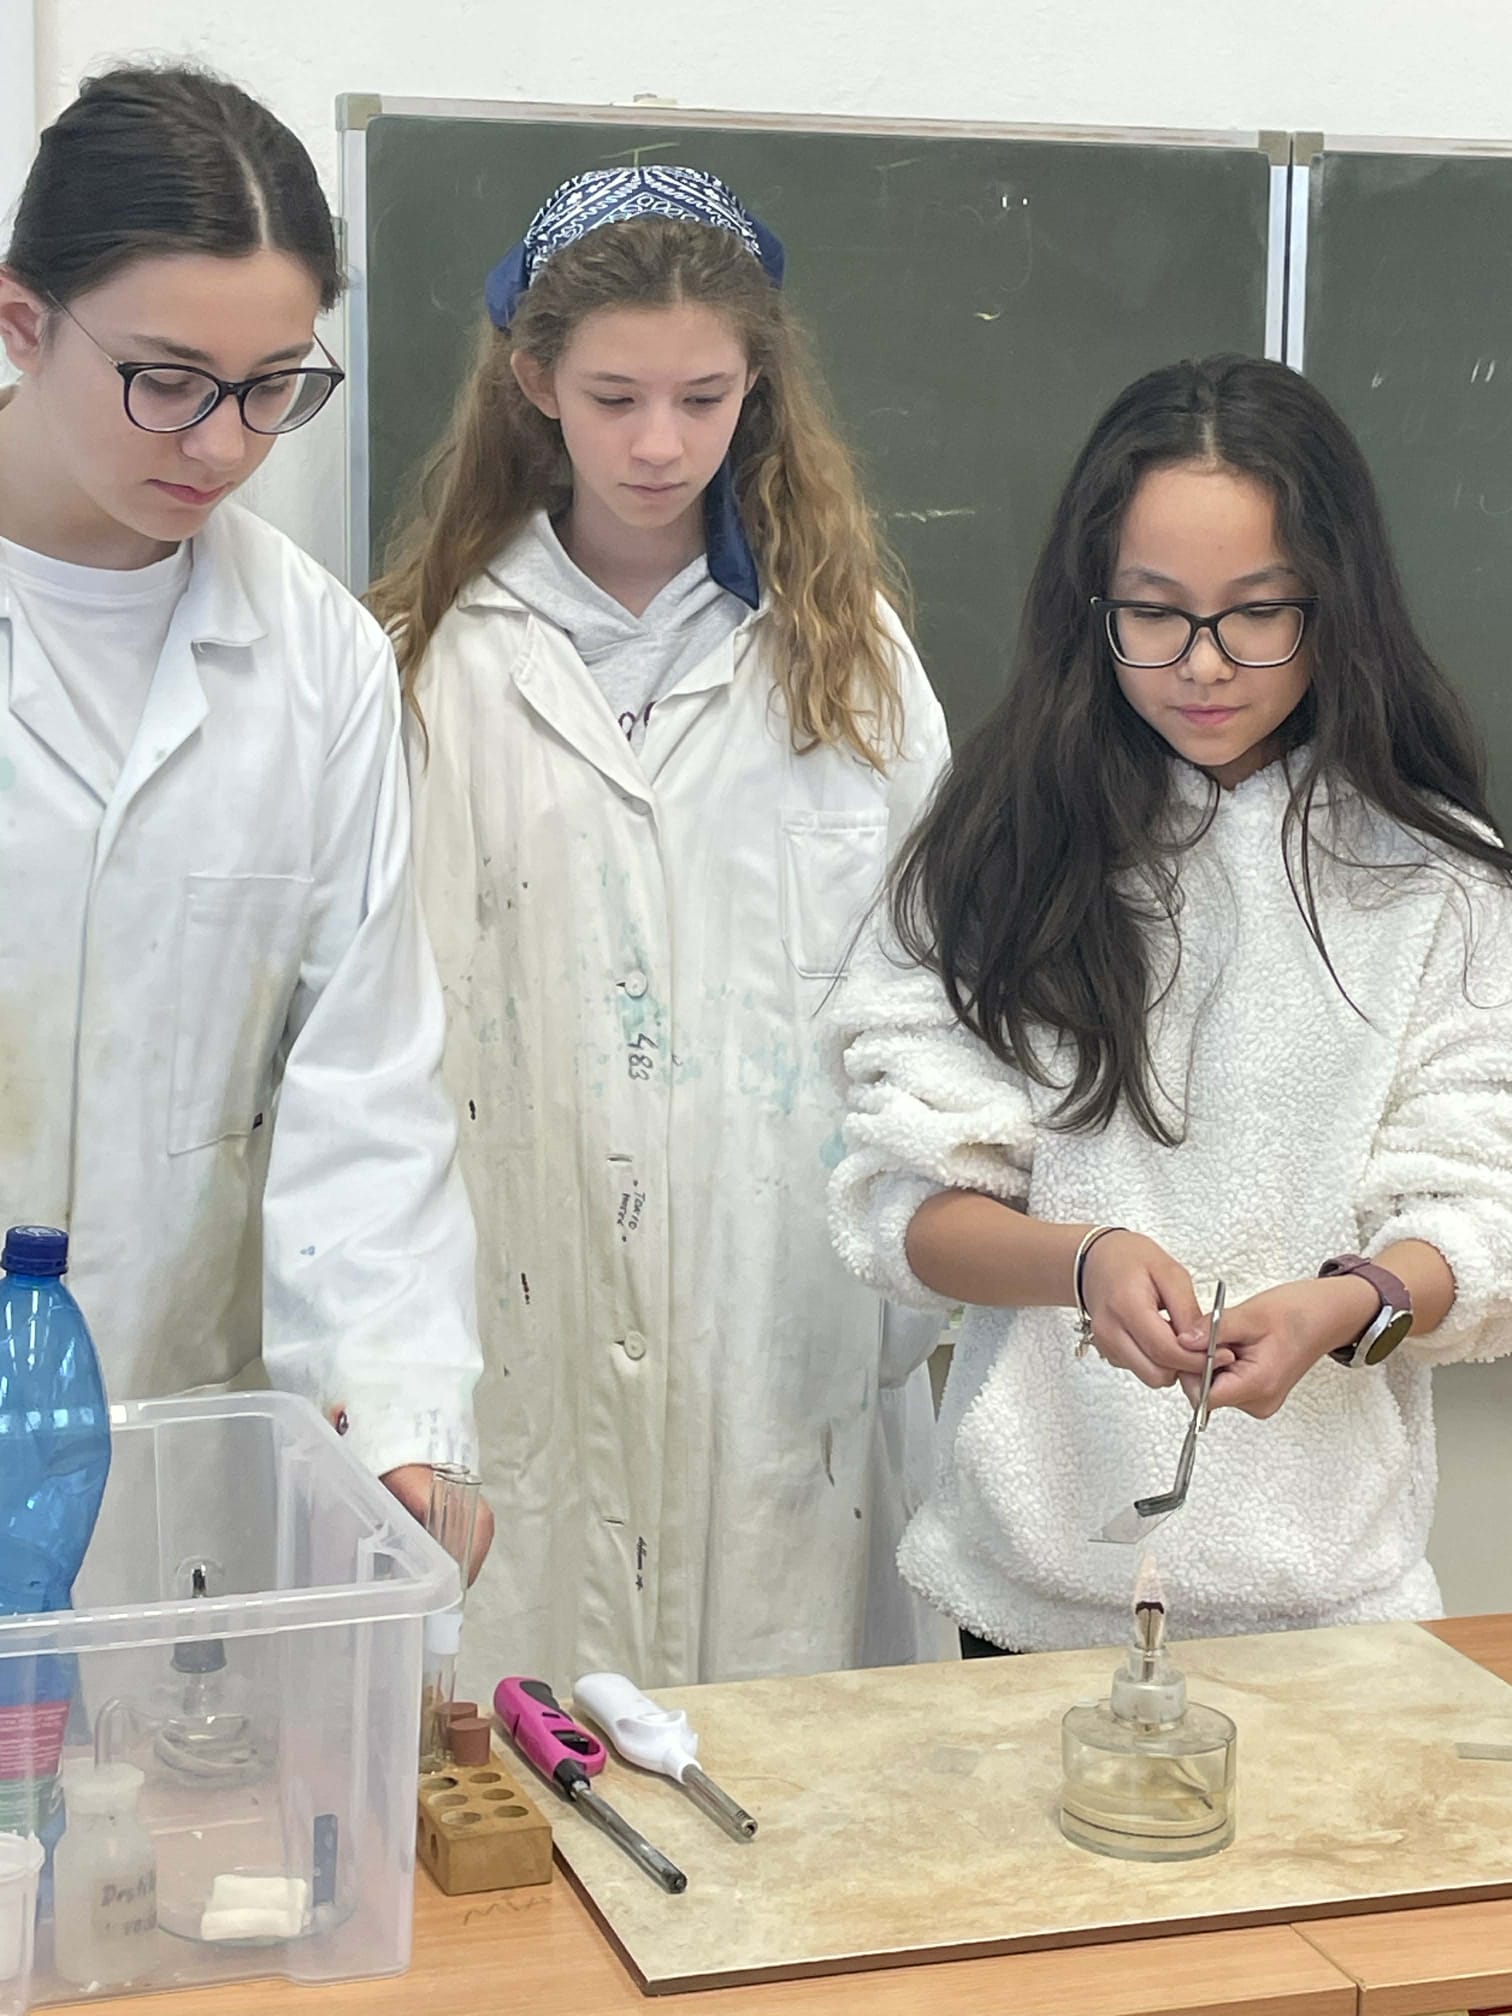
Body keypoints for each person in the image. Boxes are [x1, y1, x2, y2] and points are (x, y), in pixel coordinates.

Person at [830, 354, 1512, 1655]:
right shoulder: (996, 855)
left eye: (1257, 614)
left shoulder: (1437, 880)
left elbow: (1485, 1209)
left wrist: (1348, 1305)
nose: (1203, 665)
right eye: (1154, 613)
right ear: (1090, 604)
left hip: (1334, 1612)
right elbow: (903, 1210)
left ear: (1338, 604)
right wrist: (1081, 1261)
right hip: (1032, 1602)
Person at [371, 166, 952, 1690]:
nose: (657, 444)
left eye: (702, 398)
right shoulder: (431, 666)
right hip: (520, 1313)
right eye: (614, 396)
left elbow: (934, 1001)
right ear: (533, 383)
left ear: (757, 388)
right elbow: (366, 1047)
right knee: (517, 1767)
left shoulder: (853, 667)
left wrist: (892, 1319)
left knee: (791, 1758)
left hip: (782, 1341)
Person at [0, 64, 489, 1559]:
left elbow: (364, 1088)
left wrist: (399, 1434)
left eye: (273, 385)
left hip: (170, 1462)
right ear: (19, 321)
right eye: (166, 379)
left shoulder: (317, 659)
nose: (220, 444)